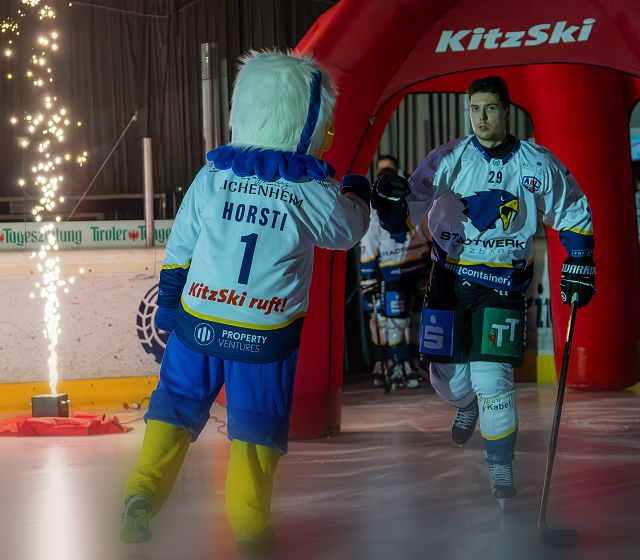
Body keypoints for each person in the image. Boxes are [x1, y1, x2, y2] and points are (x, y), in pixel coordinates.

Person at [120, 50, 370, 552]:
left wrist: (170, 303)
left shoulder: (213, 176)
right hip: (263, 333)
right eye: (326, 126)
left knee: (172, 412)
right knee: (254, 438)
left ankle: (141, 495)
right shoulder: (308, 190)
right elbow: (347, 231)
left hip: (199, 323)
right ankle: (251, 529)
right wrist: (360, 191)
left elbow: (181, 245)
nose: (330, 136)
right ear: (302, 121)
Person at [372, 76, 595, 504]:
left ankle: (499, 464)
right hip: (448, 280)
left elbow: (572, 209)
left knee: (493, 377)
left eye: (490, 108)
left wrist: (581, 260)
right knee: (448, 382)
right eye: (474, 109)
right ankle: (464, 404)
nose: (481, 117)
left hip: (502, 284)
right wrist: (390, 204)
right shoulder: (448, 158)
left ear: (507, 111)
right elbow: (406, 214)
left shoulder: (535, 161)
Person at [360, 155, 430, 389]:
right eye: (382, 171)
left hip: (418, 267)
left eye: (390, 170)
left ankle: (416, 364)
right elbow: (369, 242)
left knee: (420, 321)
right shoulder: (373, 204)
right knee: (395, 321)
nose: (386, 174)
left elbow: (429, 228)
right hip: (393, 272)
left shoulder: (414, 195)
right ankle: (399, 364)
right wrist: (368, 277)